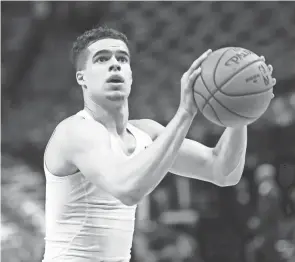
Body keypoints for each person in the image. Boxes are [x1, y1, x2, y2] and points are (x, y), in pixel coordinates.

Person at [42, 26, 275, 262]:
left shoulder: (146, 133)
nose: (115, 64)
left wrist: (242, 113)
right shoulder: (75, 131)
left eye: (122, 58)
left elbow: (223, 170)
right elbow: (128, 188)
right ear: (82, 77)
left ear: (131, 75)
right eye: (102, 59)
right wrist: (185, 112)